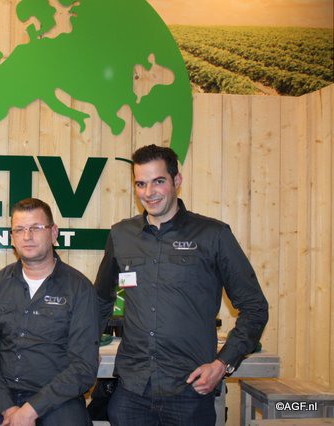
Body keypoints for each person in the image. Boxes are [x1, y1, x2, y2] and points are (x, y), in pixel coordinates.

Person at [95, 144, 269, 425]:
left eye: (158, 181)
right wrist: (84, 349)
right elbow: (100, 301)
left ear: (177, 180)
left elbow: (255, 307)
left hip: (190, 390)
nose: (149, 192)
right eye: (141, 183)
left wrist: (222, 364)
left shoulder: (213, 235)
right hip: (131, 392)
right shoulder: (121, 235)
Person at [0, 198, 99, 426]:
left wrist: (30, 411)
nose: (27, 236)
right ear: (12, 238)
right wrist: (9, 409)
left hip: (59, 401)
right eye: (19, 229)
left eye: (36, 228)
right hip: (5, 399)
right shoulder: (0, 283)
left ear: (53, 233)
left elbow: (84, 367)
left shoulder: (79, 288)